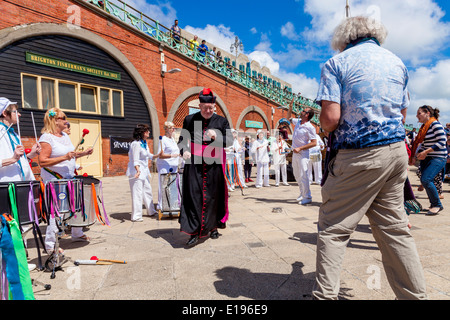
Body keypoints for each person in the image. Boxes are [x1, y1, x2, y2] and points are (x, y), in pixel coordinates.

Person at [314, 16, 427, 300]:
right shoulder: (396, 62)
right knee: (395, 230)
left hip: (358, 155)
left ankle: (324, 296)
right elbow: (402, 115)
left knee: (334, 229)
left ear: (344, 38)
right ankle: (415, 296)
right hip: (395, 152)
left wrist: (322, 125)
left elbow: (330, 119)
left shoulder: (336, 64)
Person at [178, 88, 232, 246]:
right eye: (204, 108)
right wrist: (184, 151)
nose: (208, 111)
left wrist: (217, 136)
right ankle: (194, 231)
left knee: (213, 197)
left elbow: (229, 141)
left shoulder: (221, 121)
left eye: (211, 108)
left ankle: (213, 227)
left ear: (214, 107)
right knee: (194, 196)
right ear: (199, 106)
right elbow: (182, 139)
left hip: (214, 165)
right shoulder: (189, 119)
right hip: (193, 164)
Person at [38, 108, 93, 252]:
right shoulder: (46, 138)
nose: (66, 120)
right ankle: (51, 245)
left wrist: (83, 153)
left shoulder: (64, 136)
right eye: (63, 118)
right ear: (54, 120)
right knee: (56, 211)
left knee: (75, 206)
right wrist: (65, 157)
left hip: (68, 178)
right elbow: (42, 161)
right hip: (54, 179)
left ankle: (77, 233)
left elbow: (70, 155)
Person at [409, 105, 447, 215]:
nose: (416, 116)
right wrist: (416, 155)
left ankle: (437, 205)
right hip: (428, 158)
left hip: (438, 158)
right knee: (424, 180)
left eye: (419, 113)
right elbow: (423, 144)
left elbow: (441, 141)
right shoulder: (425, 127)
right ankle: (433, 204)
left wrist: (426, 152)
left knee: (426, 179)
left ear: (427, 113)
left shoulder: (435, 124)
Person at [286, 96, 317, 205]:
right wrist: (290, 108)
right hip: (295, 153)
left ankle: (307, 196)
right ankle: (302, 193)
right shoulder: (298, 122)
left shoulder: (310, 127)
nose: (301, 111)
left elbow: (314, 142)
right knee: (296, 174)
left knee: (304, 175)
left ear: (307, 114)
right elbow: (288, 119)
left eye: (303, 111)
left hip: (303, 154)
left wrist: (300, 148)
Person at [0, 98, 40, 182]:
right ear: (4, 113)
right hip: (6, 188)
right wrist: (12, 159)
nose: (19, 114)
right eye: (15, 112)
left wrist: (31, 155)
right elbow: (13, 159)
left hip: (21, 185)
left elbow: (17, 161)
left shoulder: (13, 133)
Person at [126, 124, 160, 222]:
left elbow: (149, 155)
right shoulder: (136, 144)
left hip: (144, 172)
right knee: (137, 194)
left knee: (147, 191)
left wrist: (158, 155)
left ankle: (151, 211)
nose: (149, 132)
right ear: (142, 132)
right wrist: (137, 170)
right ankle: (136, 216)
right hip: (137, 171)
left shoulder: (144, 143)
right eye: (147, 131)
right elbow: (135, 159)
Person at [156, 121, 180, 211]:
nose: (174, 129)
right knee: (164, 185)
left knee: (173, 186)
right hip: (165, 166)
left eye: (174, 128)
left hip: (173, 166)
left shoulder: (173, 140)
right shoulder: (163, 139)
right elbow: (160, 155)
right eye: (172, 128)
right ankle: (161, 206)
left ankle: (172, 205)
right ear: (167, 129)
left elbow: (175, 152)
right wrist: (172, 155)